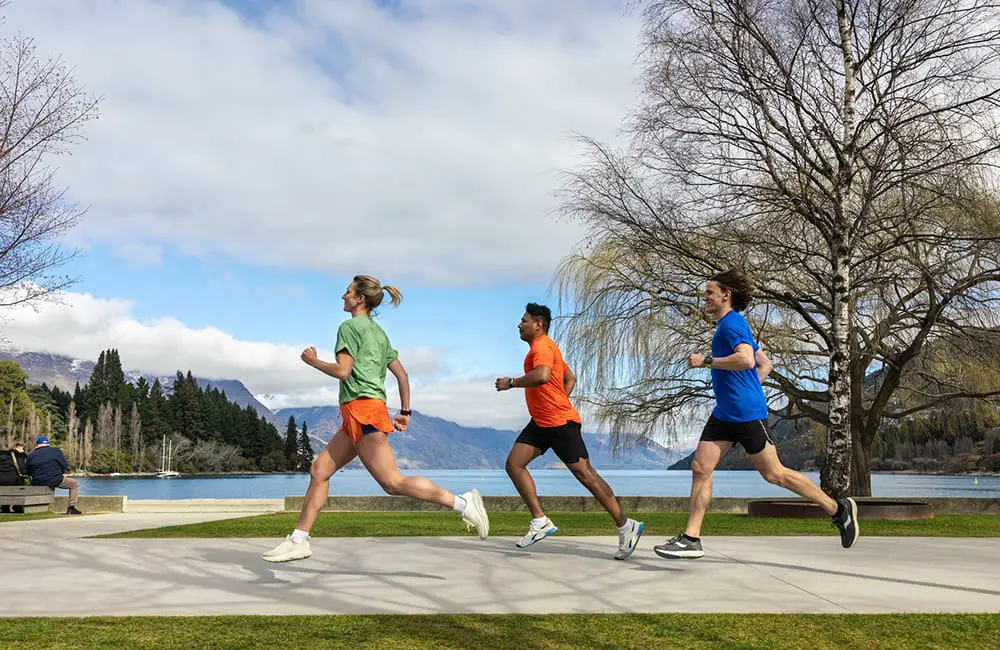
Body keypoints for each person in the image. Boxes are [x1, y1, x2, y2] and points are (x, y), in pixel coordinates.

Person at [263, 275, 490, 563]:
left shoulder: (349, 327)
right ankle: (298, 540)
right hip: (358, 414)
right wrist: (405, 413)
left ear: (360, 299)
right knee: (320, 471)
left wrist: (312, 361)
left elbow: (343, 372)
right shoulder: (379, 334)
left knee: (392, 482)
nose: (342, 296)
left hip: (363, 411)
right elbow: (403, 375)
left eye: (347, 292)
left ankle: (463, 502)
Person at [653, 270, 858, 559]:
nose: (705, 297)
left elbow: (747, 359)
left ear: (727, 295)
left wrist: (706, 361)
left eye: (709, 292)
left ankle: (838, 509)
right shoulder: (729, 325)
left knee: (775, 474)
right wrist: (748, 385)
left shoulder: (732, 324)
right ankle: (691, 538)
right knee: (700, 467)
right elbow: (765, 364)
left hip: (746, 414)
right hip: (725, 413)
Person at [496, 303, 644, 560]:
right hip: (542, 422)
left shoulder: (542, 346)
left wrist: (512, 383)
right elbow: (570, 378)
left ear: (538, 324)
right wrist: (556, 400)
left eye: (523, 320)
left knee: (586, 475)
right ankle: (540, 521)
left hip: (560, 423)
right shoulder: (546, 347)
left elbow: (542, 375)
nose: (519, 325)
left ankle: (626, 525)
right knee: (514, 464)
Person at [26, 437, 83, 515]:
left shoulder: (31, 455)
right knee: (74, 484)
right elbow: (65, 465)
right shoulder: (55, 451)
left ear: (37, 445)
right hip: (54, 480)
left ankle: (45, 508)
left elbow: (28, 472)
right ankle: (71, 508)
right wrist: (60, 471)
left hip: (37, 482)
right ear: (48, 444)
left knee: (50, 482)